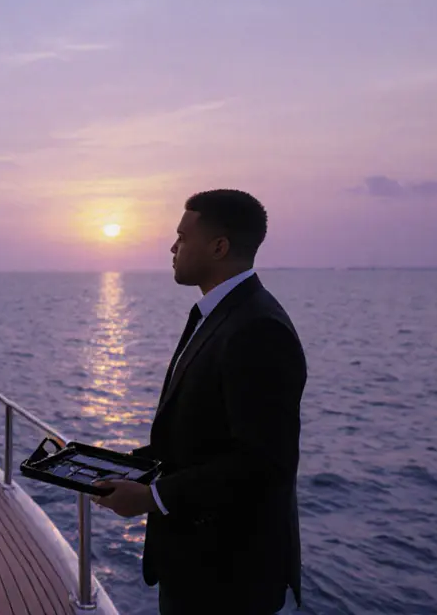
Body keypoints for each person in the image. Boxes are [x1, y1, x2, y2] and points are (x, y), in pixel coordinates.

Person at [94, 190, 306, 614]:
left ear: (219, 247)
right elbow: (205, 435)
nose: (172, 247)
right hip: (196, 565)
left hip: (227, 577)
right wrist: (126, 466)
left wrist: (151, 498)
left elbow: (264, 463)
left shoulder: (258, 329)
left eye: (182, 237)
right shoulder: (224, 314)